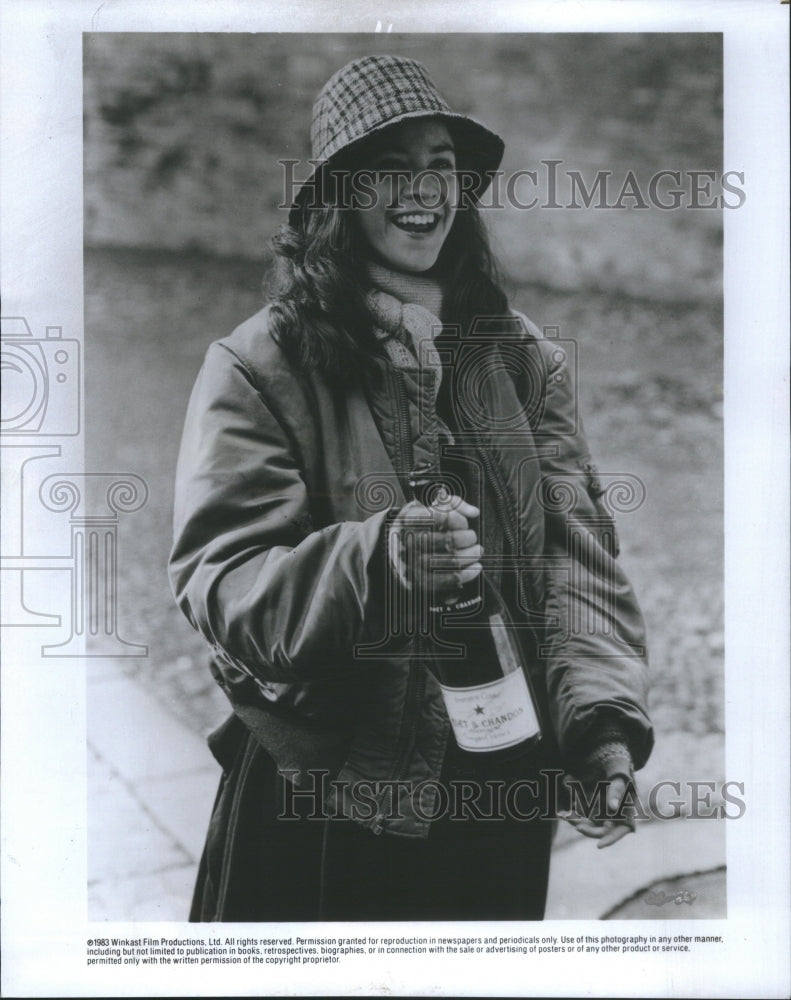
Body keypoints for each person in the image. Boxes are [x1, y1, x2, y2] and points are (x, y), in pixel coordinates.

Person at [169, 53, 653, 922]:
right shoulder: (257, 363)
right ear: (339, 194)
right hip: (327, 797)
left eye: (440, 166)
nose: (422, 189)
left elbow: (576, 558)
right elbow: (220, 580)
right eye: (390, 166)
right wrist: (381, 560)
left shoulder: (521, 355)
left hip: (501, 791)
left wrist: (603, 726)